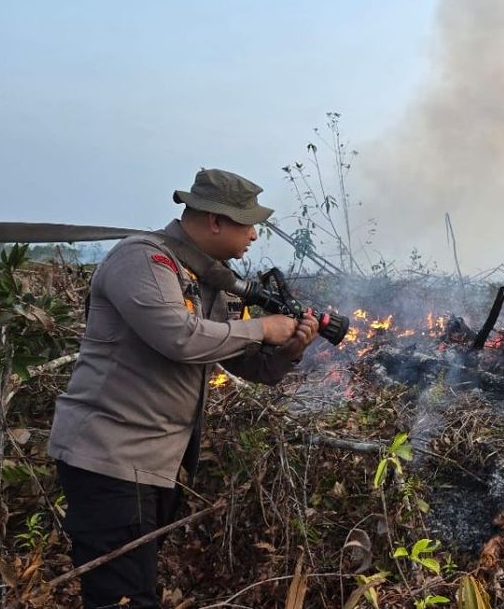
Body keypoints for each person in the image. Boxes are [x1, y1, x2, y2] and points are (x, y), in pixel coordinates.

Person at [48, 169, 318, 608]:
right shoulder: (144, 260)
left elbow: (251, 365)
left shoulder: (206, 278)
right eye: (247, 224)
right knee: (124, 599)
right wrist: (260, 327)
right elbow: (180, 337)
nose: (253, 234)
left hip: (153, 465)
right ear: (215, 221)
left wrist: (287, 349)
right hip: (110, 459)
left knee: (130, 589)